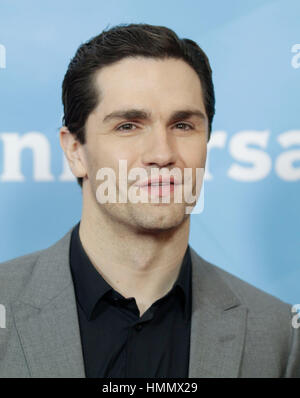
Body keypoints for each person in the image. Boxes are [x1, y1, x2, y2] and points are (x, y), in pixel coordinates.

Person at [0, 23, 299, 378]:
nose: (162, 153)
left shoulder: (279, 337)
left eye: (183, 125)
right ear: (75, 150)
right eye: (128, 125)